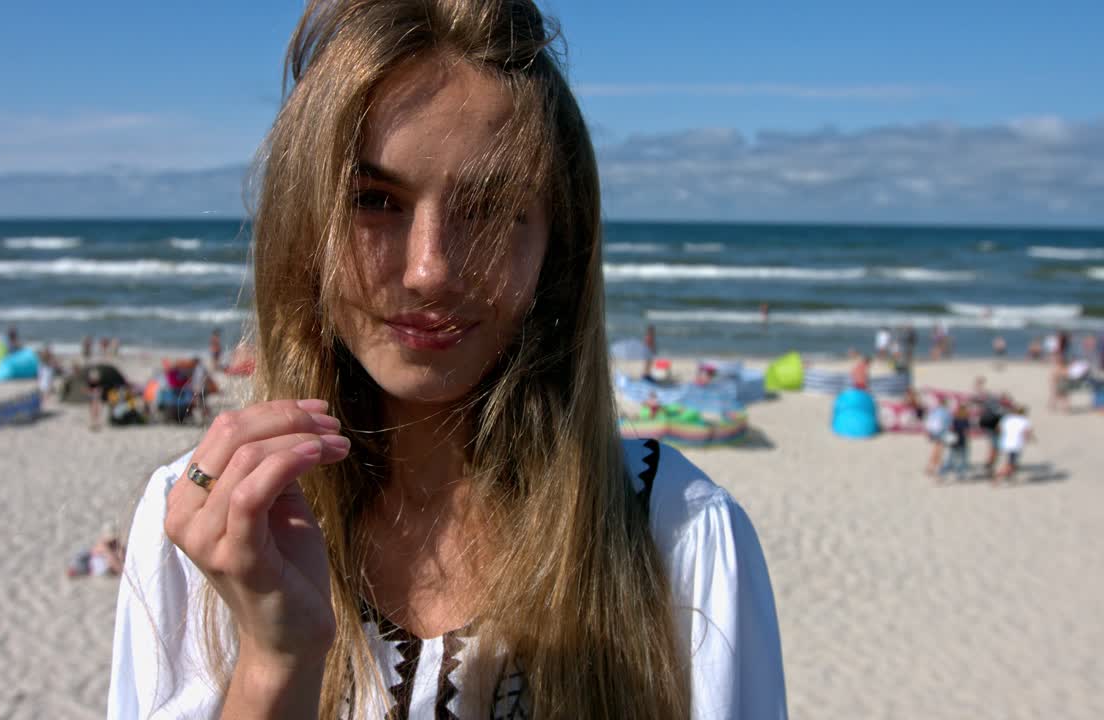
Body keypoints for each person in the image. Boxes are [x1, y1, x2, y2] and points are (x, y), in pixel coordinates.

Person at [108, 3, 786, 718]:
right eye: (374, 200)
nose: (431, 269)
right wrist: (278, 660)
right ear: (305, 226)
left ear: (556, 242)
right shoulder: (197, 530)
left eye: (489, 205)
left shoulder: (674, 530)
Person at [995, 405, 1034, 482]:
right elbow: (1026, 433)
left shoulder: (1007, 419)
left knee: (1010, 461)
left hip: (1005, 443)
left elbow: (998, 429)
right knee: (1011, 463)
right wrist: (1030, 439)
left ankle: (1008, 476)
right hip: (1016, 444)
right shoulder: (1024, 420)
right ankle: (998, 476)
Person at [937, 403, 971, 482]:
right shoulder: (965, 420)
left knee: (950, 459)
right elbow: (966, 432)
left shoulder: (954, 419)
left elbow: (950, 429)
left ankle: (942, 473)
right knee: (962, 460)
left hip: (953, 442)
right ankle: (959, 475)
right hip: (961, 441)